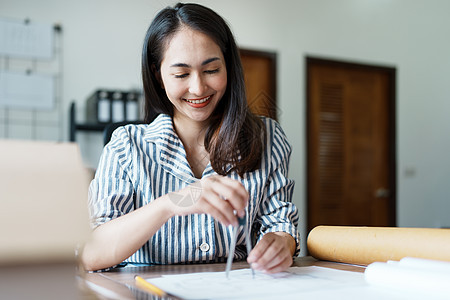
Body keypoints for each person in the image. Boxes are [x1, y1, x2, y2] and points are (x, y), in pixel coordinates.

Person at [81, 2, 300, 274]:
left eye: (211, 70)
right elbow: (92, 253)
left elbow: (280, 226)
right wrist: (172, 203)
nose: (198, 88)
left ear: (228, 68)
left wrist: (280, 244)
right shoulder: (126, 146)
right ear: (158, 76)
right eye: (181, 74)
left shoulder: (267, 137)